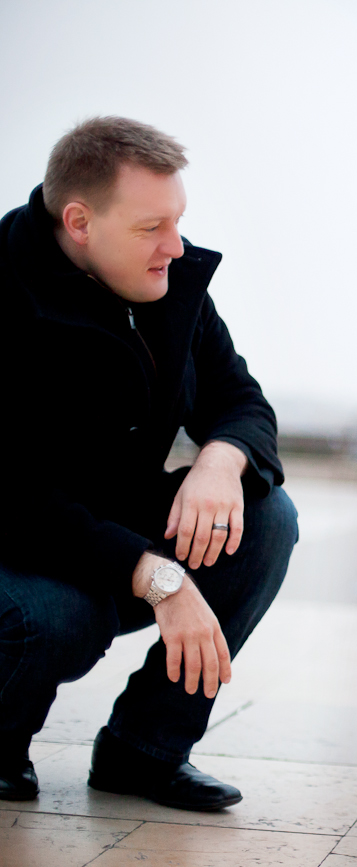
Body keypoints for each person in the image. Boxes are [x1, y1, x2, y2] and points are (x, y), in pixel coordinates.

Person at [0, 117, 296, 811]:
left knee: (265, 517)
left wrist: (222, 460)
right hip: (19, 542)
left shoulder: (170, 281)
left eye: (179, 221)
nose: (176, 245)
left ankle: (147, 749)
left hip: (106, 530)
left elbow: (240, 397)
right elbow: (13, 497)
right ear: (79, 221)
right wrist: (157, 576)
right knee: (56, 615)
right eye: (150, 227)